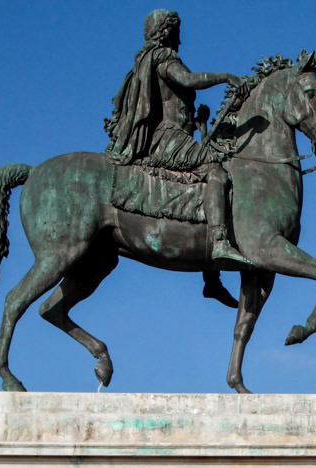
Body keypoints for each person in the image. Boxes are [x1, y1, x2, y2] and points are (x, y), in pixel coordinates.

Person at [104, 9, 250, 306]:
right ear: (167, 31)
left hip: (177, 135)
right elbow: (188, 79)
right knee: (217, 173)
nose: (181, 38)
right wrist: (226, 77)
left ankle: (212, 279)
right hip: (167, 139)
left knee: (207, 176)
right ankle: (220, 243)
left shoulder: (148, 60)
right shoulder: (161, 58)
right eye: (177, 31)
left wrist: (199, 122)